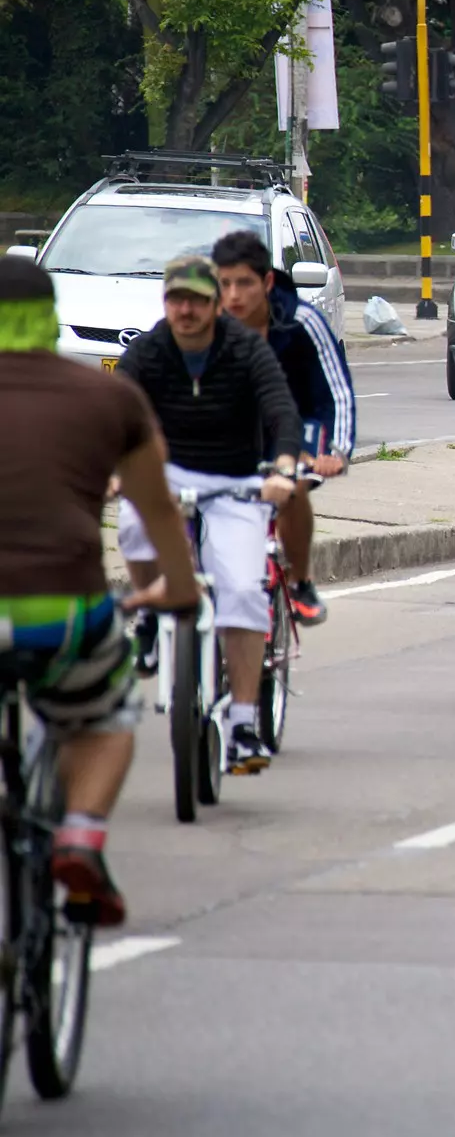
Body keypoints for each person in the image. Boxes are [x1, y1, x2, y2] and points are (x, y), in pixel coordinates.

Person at [0, 257, 201, 926]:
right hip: (63, 614)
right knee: (108, 714)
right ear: (50, 315)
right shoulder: (107, 398)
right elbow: (159, 510)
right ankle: (81, 832)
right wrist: (179, 589)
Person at [116, 256, 300, 775]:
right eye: (177, 300)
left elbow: (280, 409)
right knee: (132, 524)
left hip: (237, 481)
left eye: (197, 300)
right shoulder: (148, 351)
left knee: (242, 589)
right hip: (167, 475)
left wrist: (283, 467)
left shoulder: (244, 349)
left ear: (216, 305)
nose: (186, 310)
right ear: (165, 303)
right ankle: (152, 616)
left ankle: (242, 722)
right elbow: (117, 410)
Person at [210, 231, 354, 626]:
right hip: (235, 428)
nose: (234, 296)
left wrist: (335, 453)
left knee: (291, 486)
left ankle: (300, 580)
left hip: (300, 424)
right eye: (225, 284)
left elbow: (336, 392)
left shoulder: (301, 321)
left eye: (245, 284)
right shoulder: (205, 324)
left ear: (267, 283)